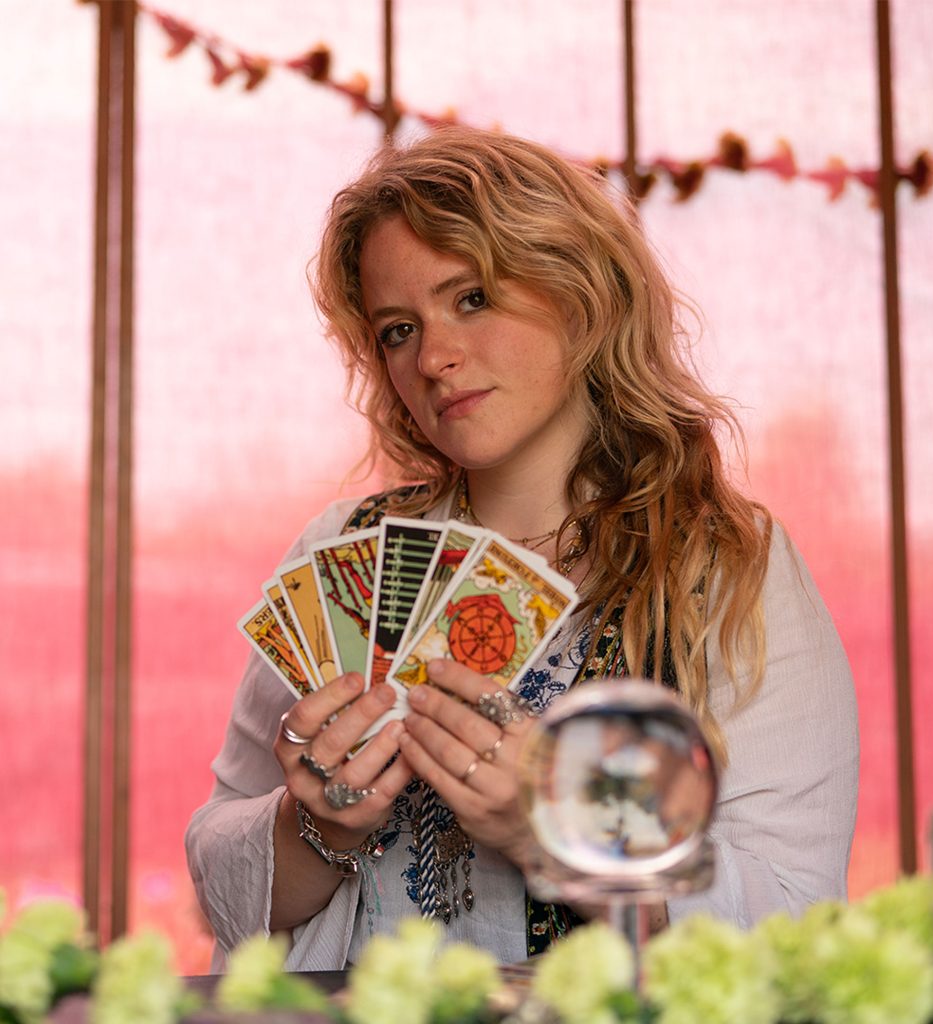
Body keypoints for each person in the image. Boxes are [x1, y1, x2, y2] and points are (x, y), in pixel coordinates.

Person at [185, 126, 858, 971]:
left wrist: (567, 826)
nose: (434, 357)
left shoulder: (727, 570)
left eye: (471, 298)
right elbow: (219, 874)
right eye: (398, 329)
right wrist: (315, 825)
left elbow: (796, 924)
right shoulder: (345, 551)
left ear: (580, 294)